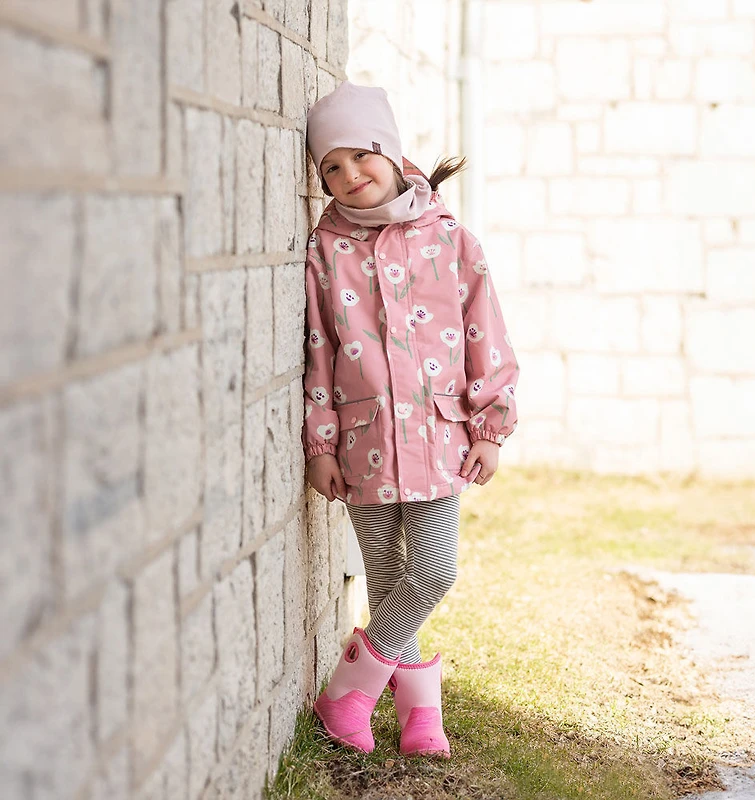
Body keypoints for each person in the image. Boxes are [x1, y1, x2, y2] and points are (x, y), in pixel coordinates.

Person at [301, 81, 519, 759]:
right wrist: (320, 445)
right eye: (329, 168)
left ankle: (348, 690)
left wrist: (489, 426)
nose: (348, 176)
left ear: (392, 154)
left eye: (359, 157)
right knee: (391, 583)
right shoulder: (325, 250)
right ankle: (421, 715)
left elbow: (486, 333)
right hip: (361, 444)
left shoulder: (452, 242)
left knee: (434, 572)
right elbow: (318, 350)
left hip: (438, 440)